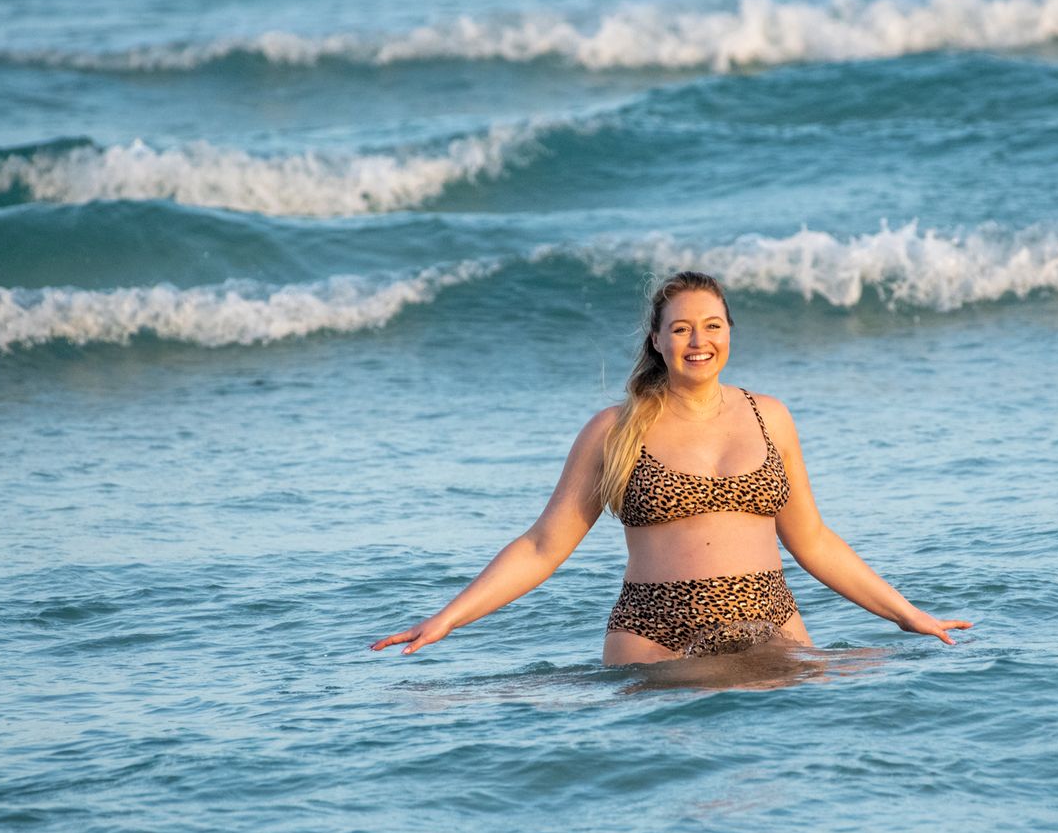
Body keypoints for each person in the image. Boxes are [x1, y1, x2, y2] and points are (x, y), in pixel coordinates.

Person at [371, 270, 971, 665]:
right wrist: (446, 618)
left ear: (730, 333)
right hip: (654, 634)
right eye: (680, 328)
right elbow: (541, 547)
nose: (698, 340)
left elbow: (812, 540)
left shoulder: (771, 417)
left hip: (771, 623)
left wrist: (908, 614)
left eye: (712, 326)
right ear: (656, 340)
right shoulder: (613, 430)